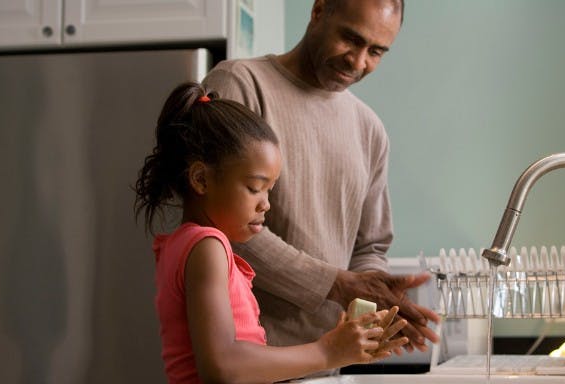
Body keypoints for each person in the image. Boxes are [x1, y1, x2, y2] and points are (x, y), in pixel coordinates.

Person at [203, 0, 440, 354]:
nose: (358, 62)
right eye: (351, 39)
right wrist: (337, 285)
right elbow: (218, 221)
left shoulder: (369, 129)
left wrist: (375, 297)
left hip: (329, 361)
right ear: (318, 11)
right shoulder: (241, 84)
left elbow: (370, 246)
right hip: (246, 358)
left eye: (376, 52)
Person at [134, 82, 408, 383]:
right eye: (255, 188)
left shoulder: (184, 244)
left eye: (270, 190)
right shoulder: (207, 246)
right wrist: (328, 351)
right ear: (201, 179)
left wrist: (340, 347)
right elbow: (223, 366)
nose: (265, 204)